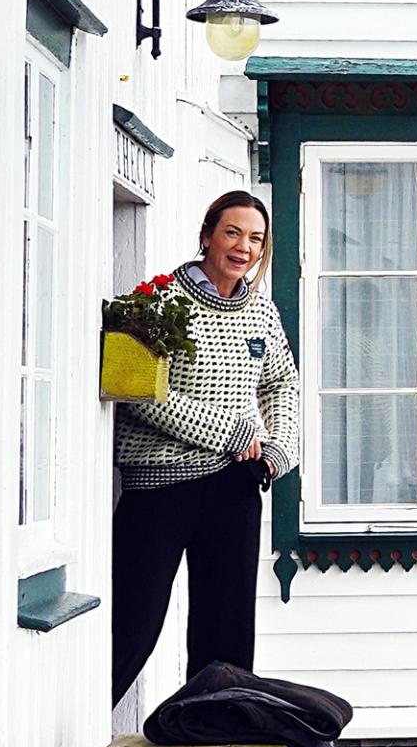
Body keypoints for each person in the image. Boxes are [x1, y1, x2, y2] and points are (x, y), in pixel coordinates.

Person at [110, 191, 304, 705]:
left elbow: (282, 383)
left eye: (255, 238)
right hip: (160, 489)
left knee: (228, 639)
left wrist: (278, 449)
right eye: (232, 232)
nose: (244, 247)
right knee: (131, 627)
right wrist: (235, 434)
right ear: (207, 235)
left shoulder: (261, 313)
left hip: (234, 488)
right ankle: (77, 734)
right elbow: (135, 391)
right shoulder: (152, 303)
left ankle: (217, 740)